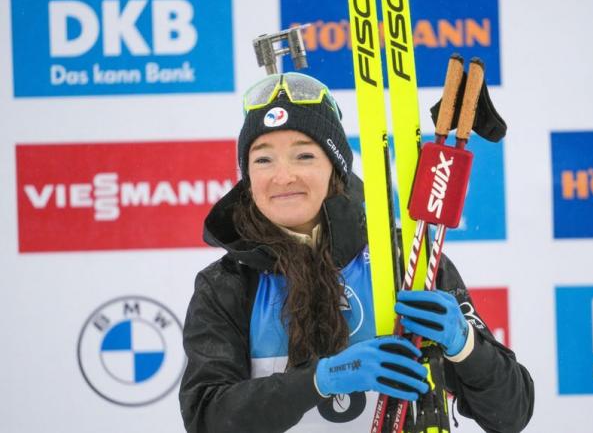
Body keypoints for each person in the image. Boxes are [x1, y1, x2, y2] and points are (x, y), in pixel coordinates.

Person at [179, 72, 534, 433]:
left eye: (303, 155)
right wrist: (319, 381)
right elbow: (207, 419)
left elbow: (510, 412)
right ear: (247, 176)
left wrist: (465, 345)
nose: (282, 176)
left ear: (335, 167)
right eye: (263, 160)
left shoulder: (403, 260)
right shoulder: (228, 283)